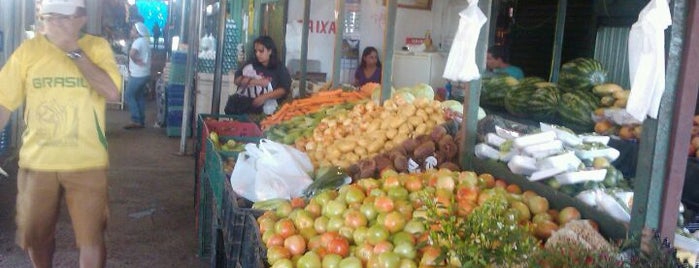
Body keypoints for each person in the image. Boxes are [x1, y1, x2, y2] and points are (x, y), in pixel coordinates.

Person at [0, 0, 121, 267]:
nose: (55, 23)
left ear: (82, 18)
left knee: (91, 237)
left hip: (87, 161)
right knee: (37, 235)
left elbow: (112, 92)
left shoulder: (96, 48)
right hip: (37, 161)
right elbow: (3, 103)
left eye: (63, 17)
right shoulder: (28, 51)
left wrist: (73, 51)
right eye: (50, 17)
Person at [225, 36, 291, 115]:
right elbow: (237, 80)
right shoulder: (251, 64)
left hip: (269, 111)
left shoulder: (279, 68)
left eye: (261, 51)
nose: (257, 54)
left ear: (270, 51)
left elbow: (283, 89)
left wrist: (264, 97)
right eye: (256, 51)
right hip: (245, 108)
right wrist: (256, 82)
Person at [124, 22, 151, 129]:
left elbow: (132, 54)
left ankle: (136, 119)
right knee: (139, 96)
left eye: (133, 30)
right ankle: (141, 119)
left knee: (129, 95)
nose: (131, 31)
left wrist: (135, 60)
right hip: (145, 74)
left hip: (137, 74)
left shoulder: (137, 42)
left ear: (138, 32)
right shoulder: (145, 41)